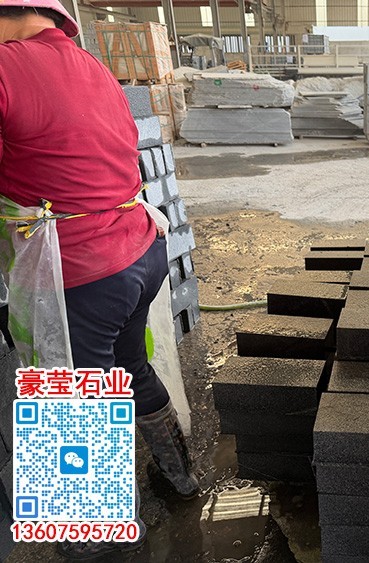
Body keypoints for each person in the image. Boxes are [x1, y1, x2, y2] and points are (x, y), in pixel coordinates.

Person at [0, 2, 199, 559]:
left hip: (82, 271)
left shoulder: (7, 67)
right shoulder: (90, 65)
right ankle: (181, 477)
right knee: (129, 366)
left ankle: (97, 543)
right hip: (139, 250)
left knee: (71, 405)